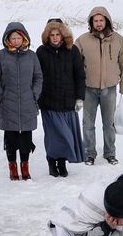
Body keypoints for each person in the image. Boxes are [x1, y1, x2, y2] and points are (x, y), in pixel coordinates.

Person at [0, 21, 43, 181]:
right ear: (7, 39)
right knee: (11, 138)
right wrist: (1, 95)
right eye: (13, 38)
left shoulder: (32, 56)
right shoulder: (0, 56)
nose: (16, 41)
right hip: (8, 103)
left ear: (24, 38)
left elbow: (38, 77)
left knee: (26, 138)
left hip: (27, 102)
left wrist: (34, 94)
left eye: (19, 38)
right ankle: (12, 167)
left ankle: (25, 167)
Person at [78, 5, 123, 166]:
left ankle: (110, 153)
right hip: (89, 88)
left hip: (109, 88)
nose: (99, 23)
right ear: (91, 22)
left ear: (107, 20)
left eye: (101, 20)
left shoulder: (118, 40)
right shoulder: (82, 40)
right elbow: (75, 66)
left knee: (109, 123)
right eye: (96, 20)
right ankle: (89, 153)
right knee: (88, 124)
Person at [36, 18, 86, 177]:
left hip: (67, 102)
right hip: (48, 102)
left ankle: (62, 162)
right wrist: (36, 99)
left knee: (66, 136)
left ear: (63, 34)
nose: (55, 38)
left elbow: (79, 76)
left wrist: (80, 97)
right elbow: (36, 77)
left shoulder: (73, 51)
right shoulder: (41, 52)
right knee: (52, 137)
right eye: (52, 35)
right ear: (47, 36)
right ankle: (52, 162)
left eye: (58, 34)